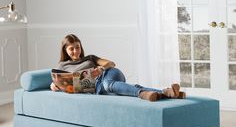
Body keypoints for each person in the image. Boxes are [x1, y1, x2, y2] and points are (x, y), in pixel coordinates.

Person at [50, 34, 186, 101]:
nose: (76, 51)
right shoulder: (63, 66)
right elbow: (58, 81)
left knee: (108, 84)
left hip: (109, 75)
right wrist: (53, 85)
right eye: (71, 49)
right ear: (65, 50)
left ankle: (142, 94)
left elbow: (111, 63)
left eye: (78, 47)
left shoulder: (90, 58)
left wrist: (100, 69)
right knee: (115, 89)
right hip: (97, 90)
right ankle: (167, 93)